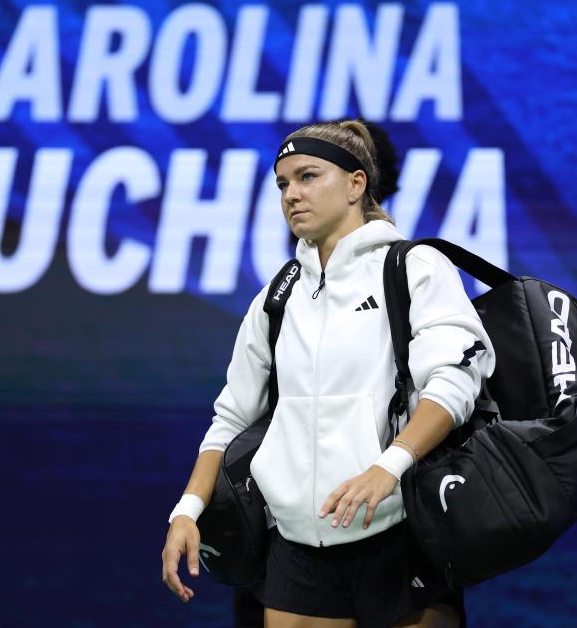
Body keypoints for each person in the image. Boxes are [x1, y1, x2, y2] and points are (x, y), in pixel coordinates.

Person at [161, 120, 495, 628]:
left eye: (308, 176)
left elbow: (454, 383)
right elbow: (230, 418)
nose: (292, 194)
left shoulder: (414, 267)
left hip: (400, 533)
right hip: (298, 546)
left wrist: (389, 466)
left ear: (356, 184)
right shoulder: (276, 297)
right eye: (282, 184)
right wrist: (187, 509)